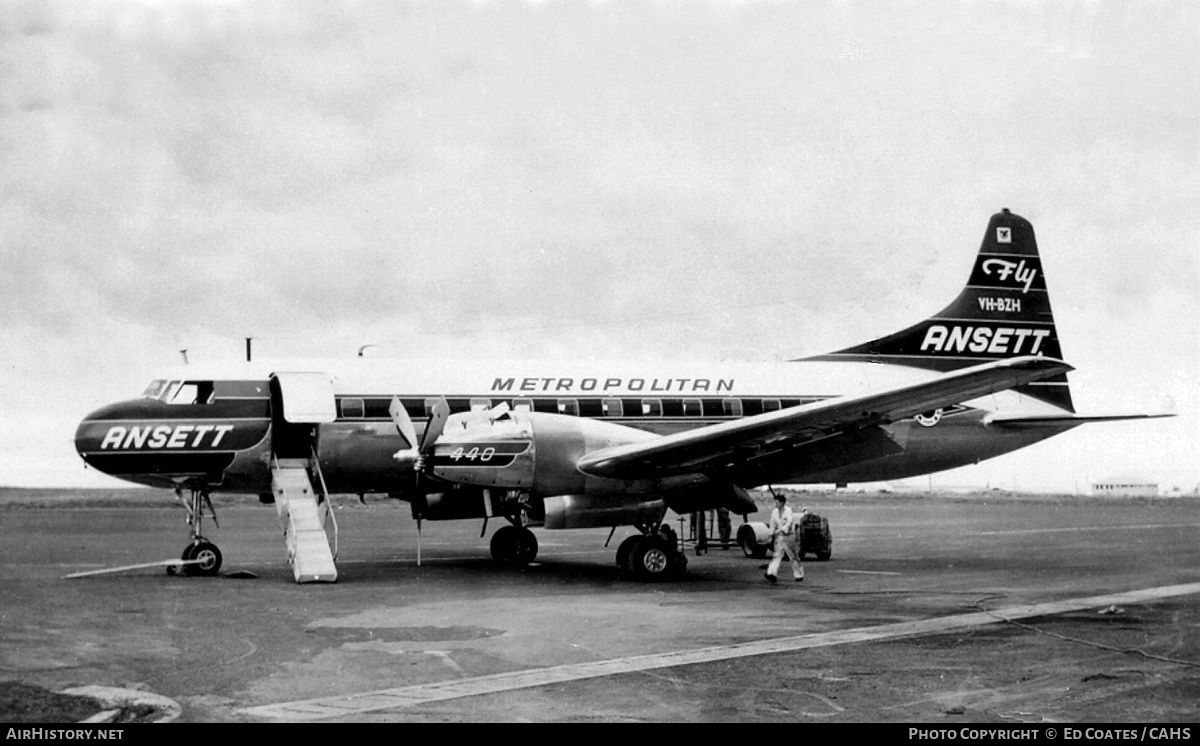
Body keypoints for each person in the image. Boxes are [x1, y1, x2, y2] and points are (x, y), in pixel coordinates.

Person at [765, 493, 804, 583]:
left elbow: (789, 523)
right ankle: (771, 573)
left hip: (789, 536)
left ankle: (799, 574)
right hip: (779, 537)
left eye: (777, 502)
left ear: (782, 503)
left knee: (793, 556)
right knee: (777, 556)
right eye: (775, 502)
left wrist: (780, 530)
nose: (776, 504)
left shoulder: (788, 511)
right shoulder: (774, 512)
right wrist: (771, 535)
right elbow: (772, 524)